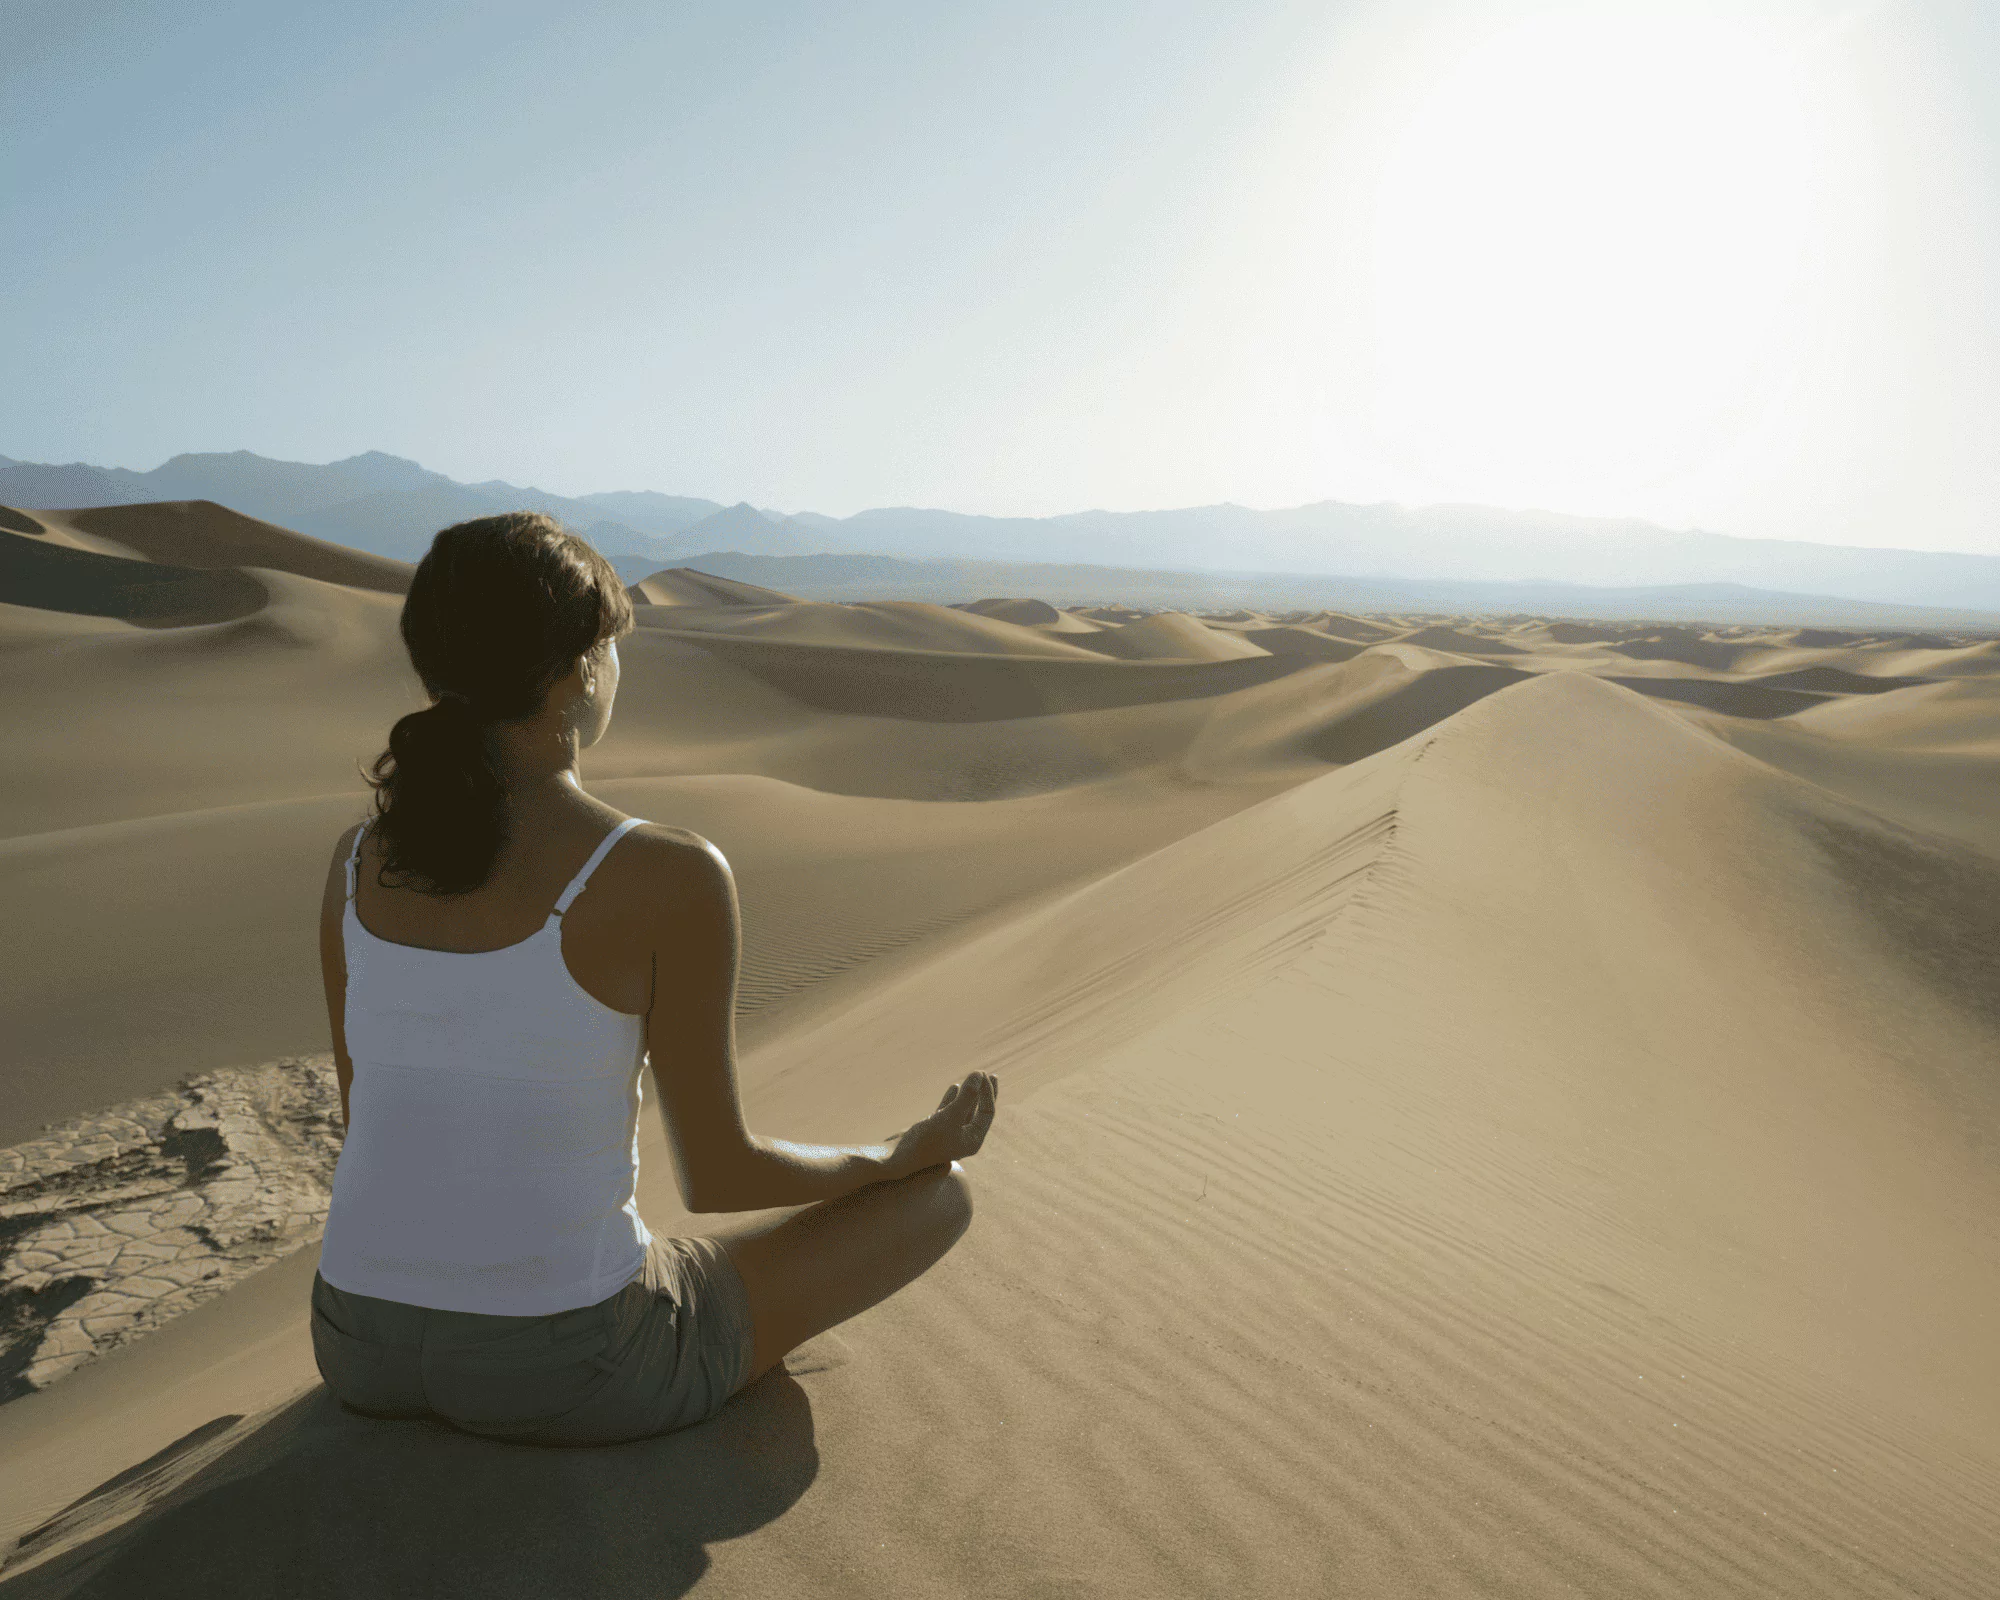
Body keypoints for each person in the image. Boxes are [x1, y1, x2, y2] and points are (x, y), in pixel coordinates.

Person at [311, 511, 997, 1446]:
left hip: (357, 1344)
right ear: (578, 670)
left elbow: (372, 1131)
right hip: (574, 1369)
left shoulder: (356, 862)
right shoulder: (666, 873)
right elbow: (718, 1172)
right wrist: (895, 1155)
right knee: (941, 1195)